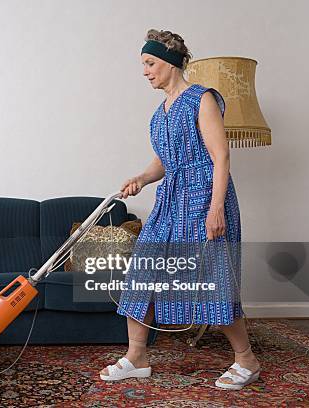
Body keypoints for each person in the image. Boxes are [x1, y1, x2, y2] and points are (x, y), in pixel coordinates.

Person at [98, 29, 261, 390]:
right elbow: (164, 163)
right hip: (170, 201)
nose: (145, 71)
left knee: (212, 281)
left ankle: (246, 360)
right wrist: (142, 177)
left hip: (204, 199)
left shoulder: (201, 99)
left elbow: (221, 156)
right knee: (142, 273)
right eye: (143, 64)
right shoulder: (159, 114)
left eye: (149, 63)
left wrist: (216, 209)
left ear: (170, 62)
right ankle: (136, 356)